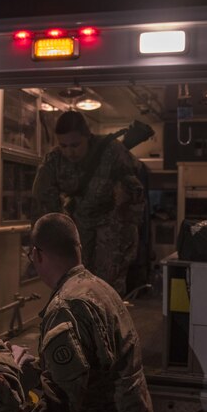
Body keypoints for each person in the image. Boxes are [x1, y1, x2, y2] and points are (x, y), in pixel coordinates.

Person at [0, 212, 154, 412]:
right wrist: (38, 369)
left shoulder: (66, 306)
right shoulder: (99, 288)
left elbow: (64, 401)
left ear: (37, 254)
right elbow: (91, 365)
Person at [32, 110, 147, 297]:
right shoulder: (54, 160)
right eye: (64, 145)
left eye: (76, 144)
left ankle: (109, 321)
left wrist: (126, 230)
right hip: (79, 225)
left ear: (87, 136)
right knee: (75, 281)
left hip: (112, 224)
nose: (70, 151)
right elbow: (43, 203)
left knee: (107, 285)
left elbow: (134, 190)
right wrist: (48, 242)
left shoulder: (111, 150)